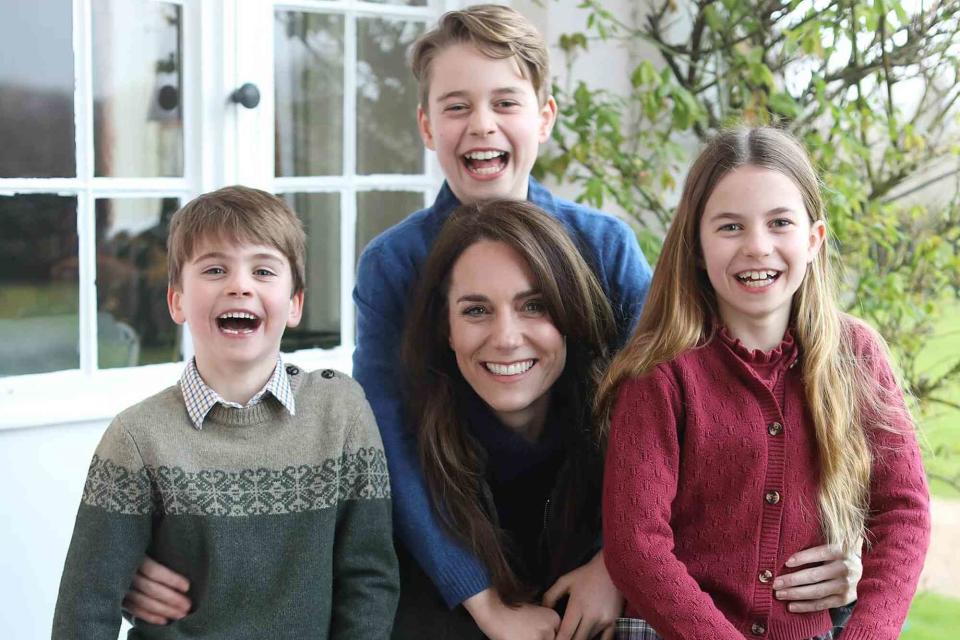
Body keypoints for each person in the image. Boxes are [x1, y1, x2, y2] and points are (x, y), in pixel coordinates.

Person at [120, 7, 863, 639]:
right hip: (451, 554)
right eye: (456, 106)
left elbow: (692, 409)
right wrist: (479, 598)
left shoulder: (603, 248)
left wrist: (617, 564)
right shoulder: (394, 265)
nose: (482, 125)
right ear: (425, 124)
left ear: (543, 116)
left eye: (506, 102)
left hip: (592, 541)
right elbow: (387, 448)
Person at [598, 127, 931, 640]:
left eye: (780, 223)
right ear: (696, 244)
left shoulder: (857, 355)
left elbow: (902, 512)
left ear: (814, 238)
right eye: (730, 227)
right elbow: (635, 545)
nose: (757, 247)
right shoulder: (660, 375)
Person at [52, 186, 399, 639]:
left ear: (295, 303)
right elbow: (85, 608)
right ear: (176, 300)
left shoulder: (342, 413)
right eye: (215, 269)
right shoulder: (137, 439)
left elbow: (369, 582)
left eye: (263, 270)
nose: (240, 285)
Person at [396, 200, 620, 639]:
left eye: (534, 306)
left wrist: (617, 566)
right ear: (446, 329)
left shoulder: (622, 443)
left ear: (569, 314)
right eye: (476, 310)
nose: (505, 338)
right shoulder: (408, 477)